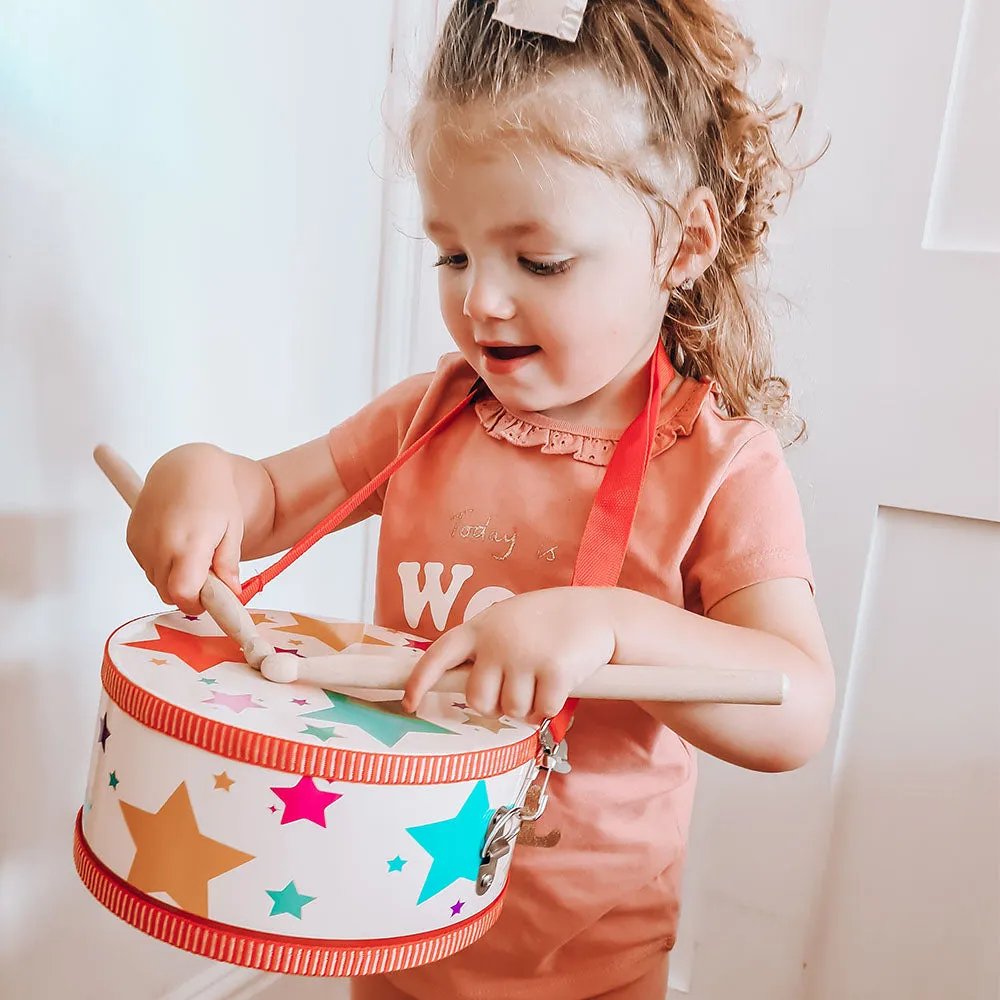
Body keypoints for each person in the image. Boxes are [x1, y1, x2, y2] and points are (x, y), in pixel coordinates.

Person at [126, 1, 834, 996]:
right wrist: (201, 475)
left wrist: (612, 627)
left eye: (538, 261)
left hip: (589, 965)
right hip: (386, 923)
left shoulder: (718, 467)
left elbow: (795, 708)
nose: (480, 301)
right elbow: (268, 493)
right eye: (452, 254)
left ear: (681, 244)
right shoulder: (428, 416)